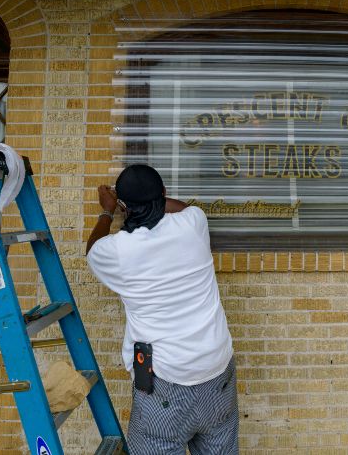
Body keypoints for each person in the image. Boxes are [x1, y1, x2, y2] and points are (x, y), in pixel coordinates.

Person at [86, 164, 238, 455]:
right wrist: (149, 198)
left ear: (125, 206)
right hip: (217, 370)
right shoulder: (194, 223)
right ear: (163, 194)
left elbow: (92, 249)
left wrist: (108, 210)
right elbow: (182, 207)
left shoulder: (117, 251)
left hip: (167, 384)